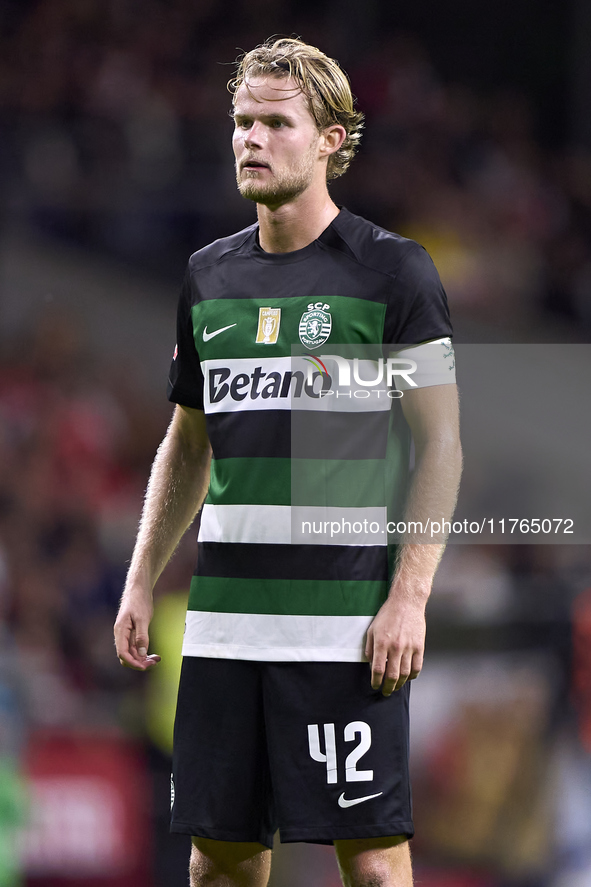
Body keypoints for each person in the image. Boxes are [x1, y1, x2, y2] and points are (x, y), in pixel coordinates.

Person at [114, 37, 462, 887]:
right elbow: (187, 441)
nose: (251, 139)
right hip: (226, 628)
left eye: (275, 122)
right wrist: (140, 577)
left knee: (374, 865)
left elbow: (441, 444)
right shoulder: (208, 277)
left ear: (332, 139)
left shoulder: (392, 272)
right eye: (241, 121)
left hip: (344, 629)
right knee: (218, 860)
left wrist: (408, 599)